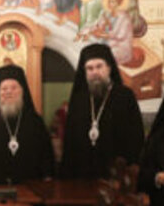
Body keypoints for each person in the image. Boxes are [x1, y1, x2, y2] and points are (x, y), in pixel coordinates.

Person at [58, 43, 144, 179]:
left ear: (109, 68)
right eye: (90, 68)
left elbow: (136, 136)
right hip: (82, 175)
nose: (95, 72)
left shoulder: (125, 96)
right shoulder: (79, 99)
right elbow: (70, 140)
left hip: (115, 176)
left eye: (99, 66)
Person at [0, 65, 54, 184]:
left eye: (14, 88)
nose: (8, 92)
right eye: (4, 89)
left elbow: (46, 154)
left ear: (22, 91)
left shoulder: (35, 121)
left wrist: (47, 176)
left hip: (29, 185)